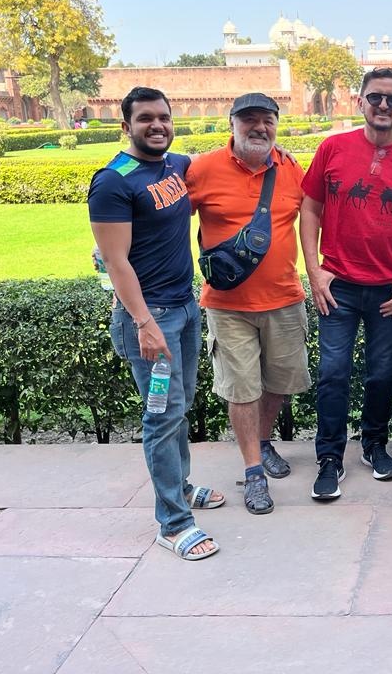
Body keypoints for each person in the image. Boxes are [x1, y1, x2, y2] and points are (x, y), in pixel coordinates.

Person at [88, 86, 221, 561]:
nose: (157, 125)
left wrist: (269, 148)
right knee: (162, 417)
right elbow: (115, 261)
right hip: (151, 320)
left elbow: (213, 158)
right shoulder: (113, 181)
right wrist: (144, 323)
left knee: (178, 408)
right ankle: (173, 522)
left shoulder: (173, 166)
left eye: (163, 117)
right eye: (145, 118)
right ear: (126, 126)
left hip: (183, 309)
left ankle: (180, 488)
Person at [300, 67, 392, 500]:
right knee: (333, 373)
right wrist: (314, 270)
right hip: (337, 284)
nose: (383, 105)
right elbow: (310, 209)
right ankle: (329, 457)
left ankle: (374, 444)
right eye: (375, 97)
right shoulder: (333, 148)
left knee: (381, 374)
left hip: (387, 289)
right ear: (360, 102)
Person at [186, 93, 310, 515]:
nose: (259, 127)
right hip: (227, 305)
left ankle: (262, 439)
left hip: (284, 298)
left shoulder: (290, 168)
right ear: (232, 125)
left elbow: (318, 215)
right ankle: (253, 471)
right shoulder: (201, 169)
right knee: (241, 388)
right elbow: (164, 218)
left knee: (279, 381)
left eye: (267, 120)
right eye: (249, 120)